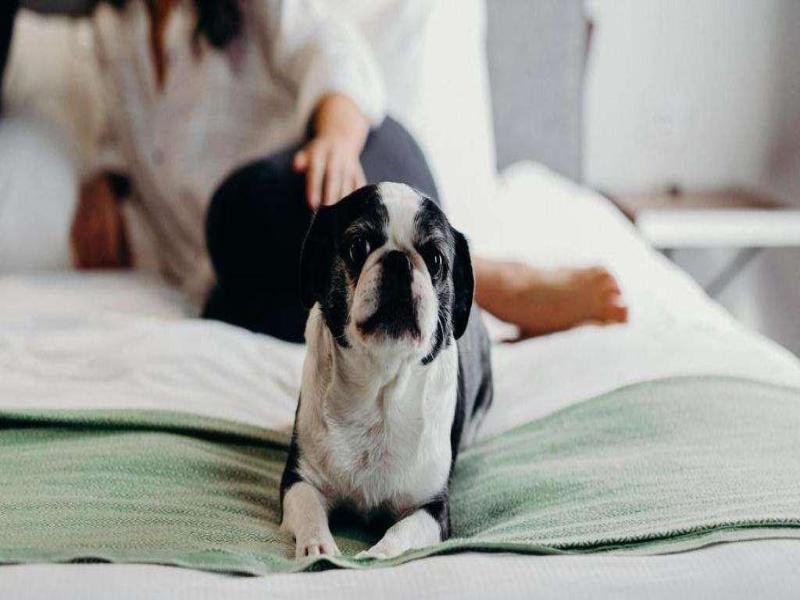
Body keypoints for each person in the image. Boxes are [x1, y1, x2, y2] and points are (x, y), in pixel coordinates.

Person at [67, 0, 626, 343]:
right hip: (246, 262)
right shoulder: (112, 32)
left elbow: (334, 51)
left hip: (340, 179)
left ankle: (482, 279)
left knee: (244, 207)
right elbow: (118, 136)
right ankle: (448, 309)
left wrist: (334, 138)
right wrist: (102, 183)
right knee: (234, 295)